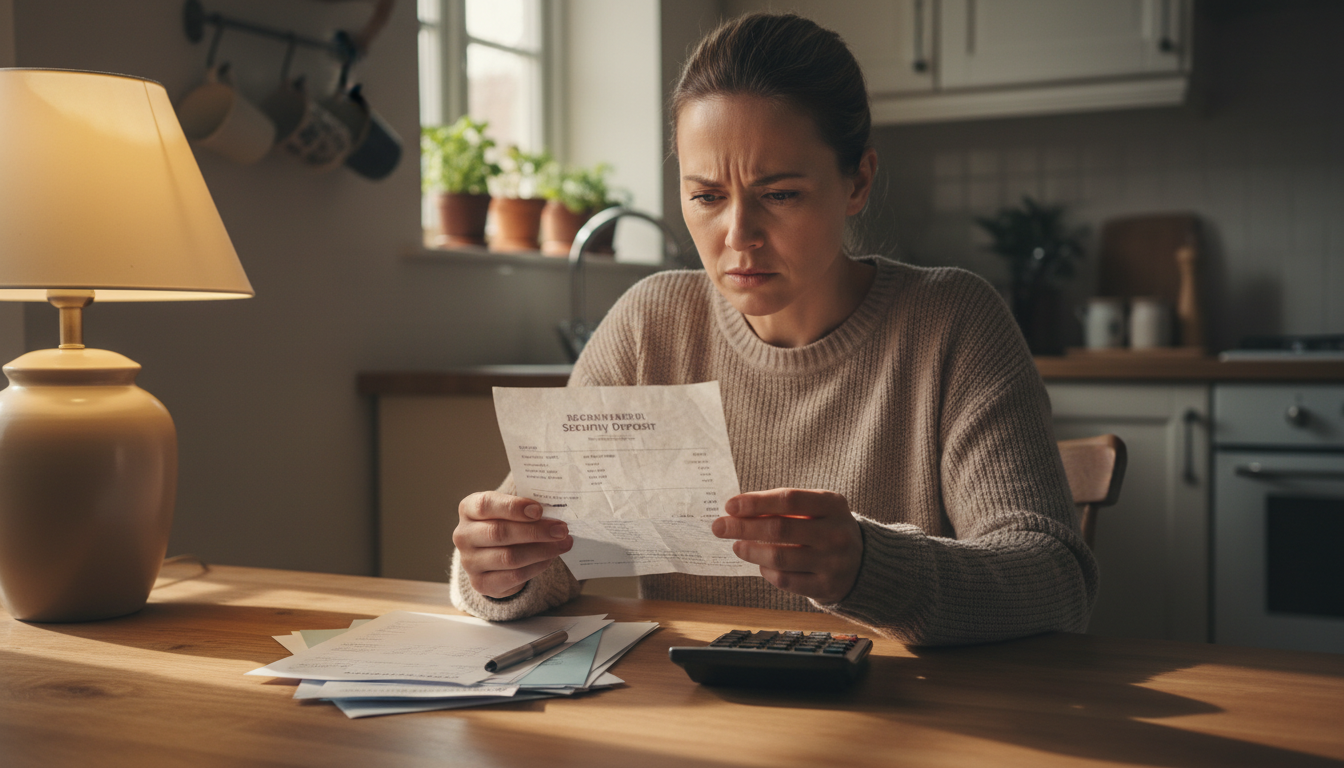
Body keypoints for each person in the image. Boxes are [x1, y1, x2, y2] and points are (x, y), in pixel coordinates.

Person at [449, 12, 1098, 646]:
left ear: (857, 182)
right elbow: (546, 562)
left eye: (780, 194)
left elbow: (1056, 581)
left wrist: (871, 566)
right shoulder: (650, 326)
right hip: (694, 709)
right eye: (707, 196)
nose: (738, 236)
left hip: (904, 708)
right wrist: (499, 569)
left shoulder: (953, 322)